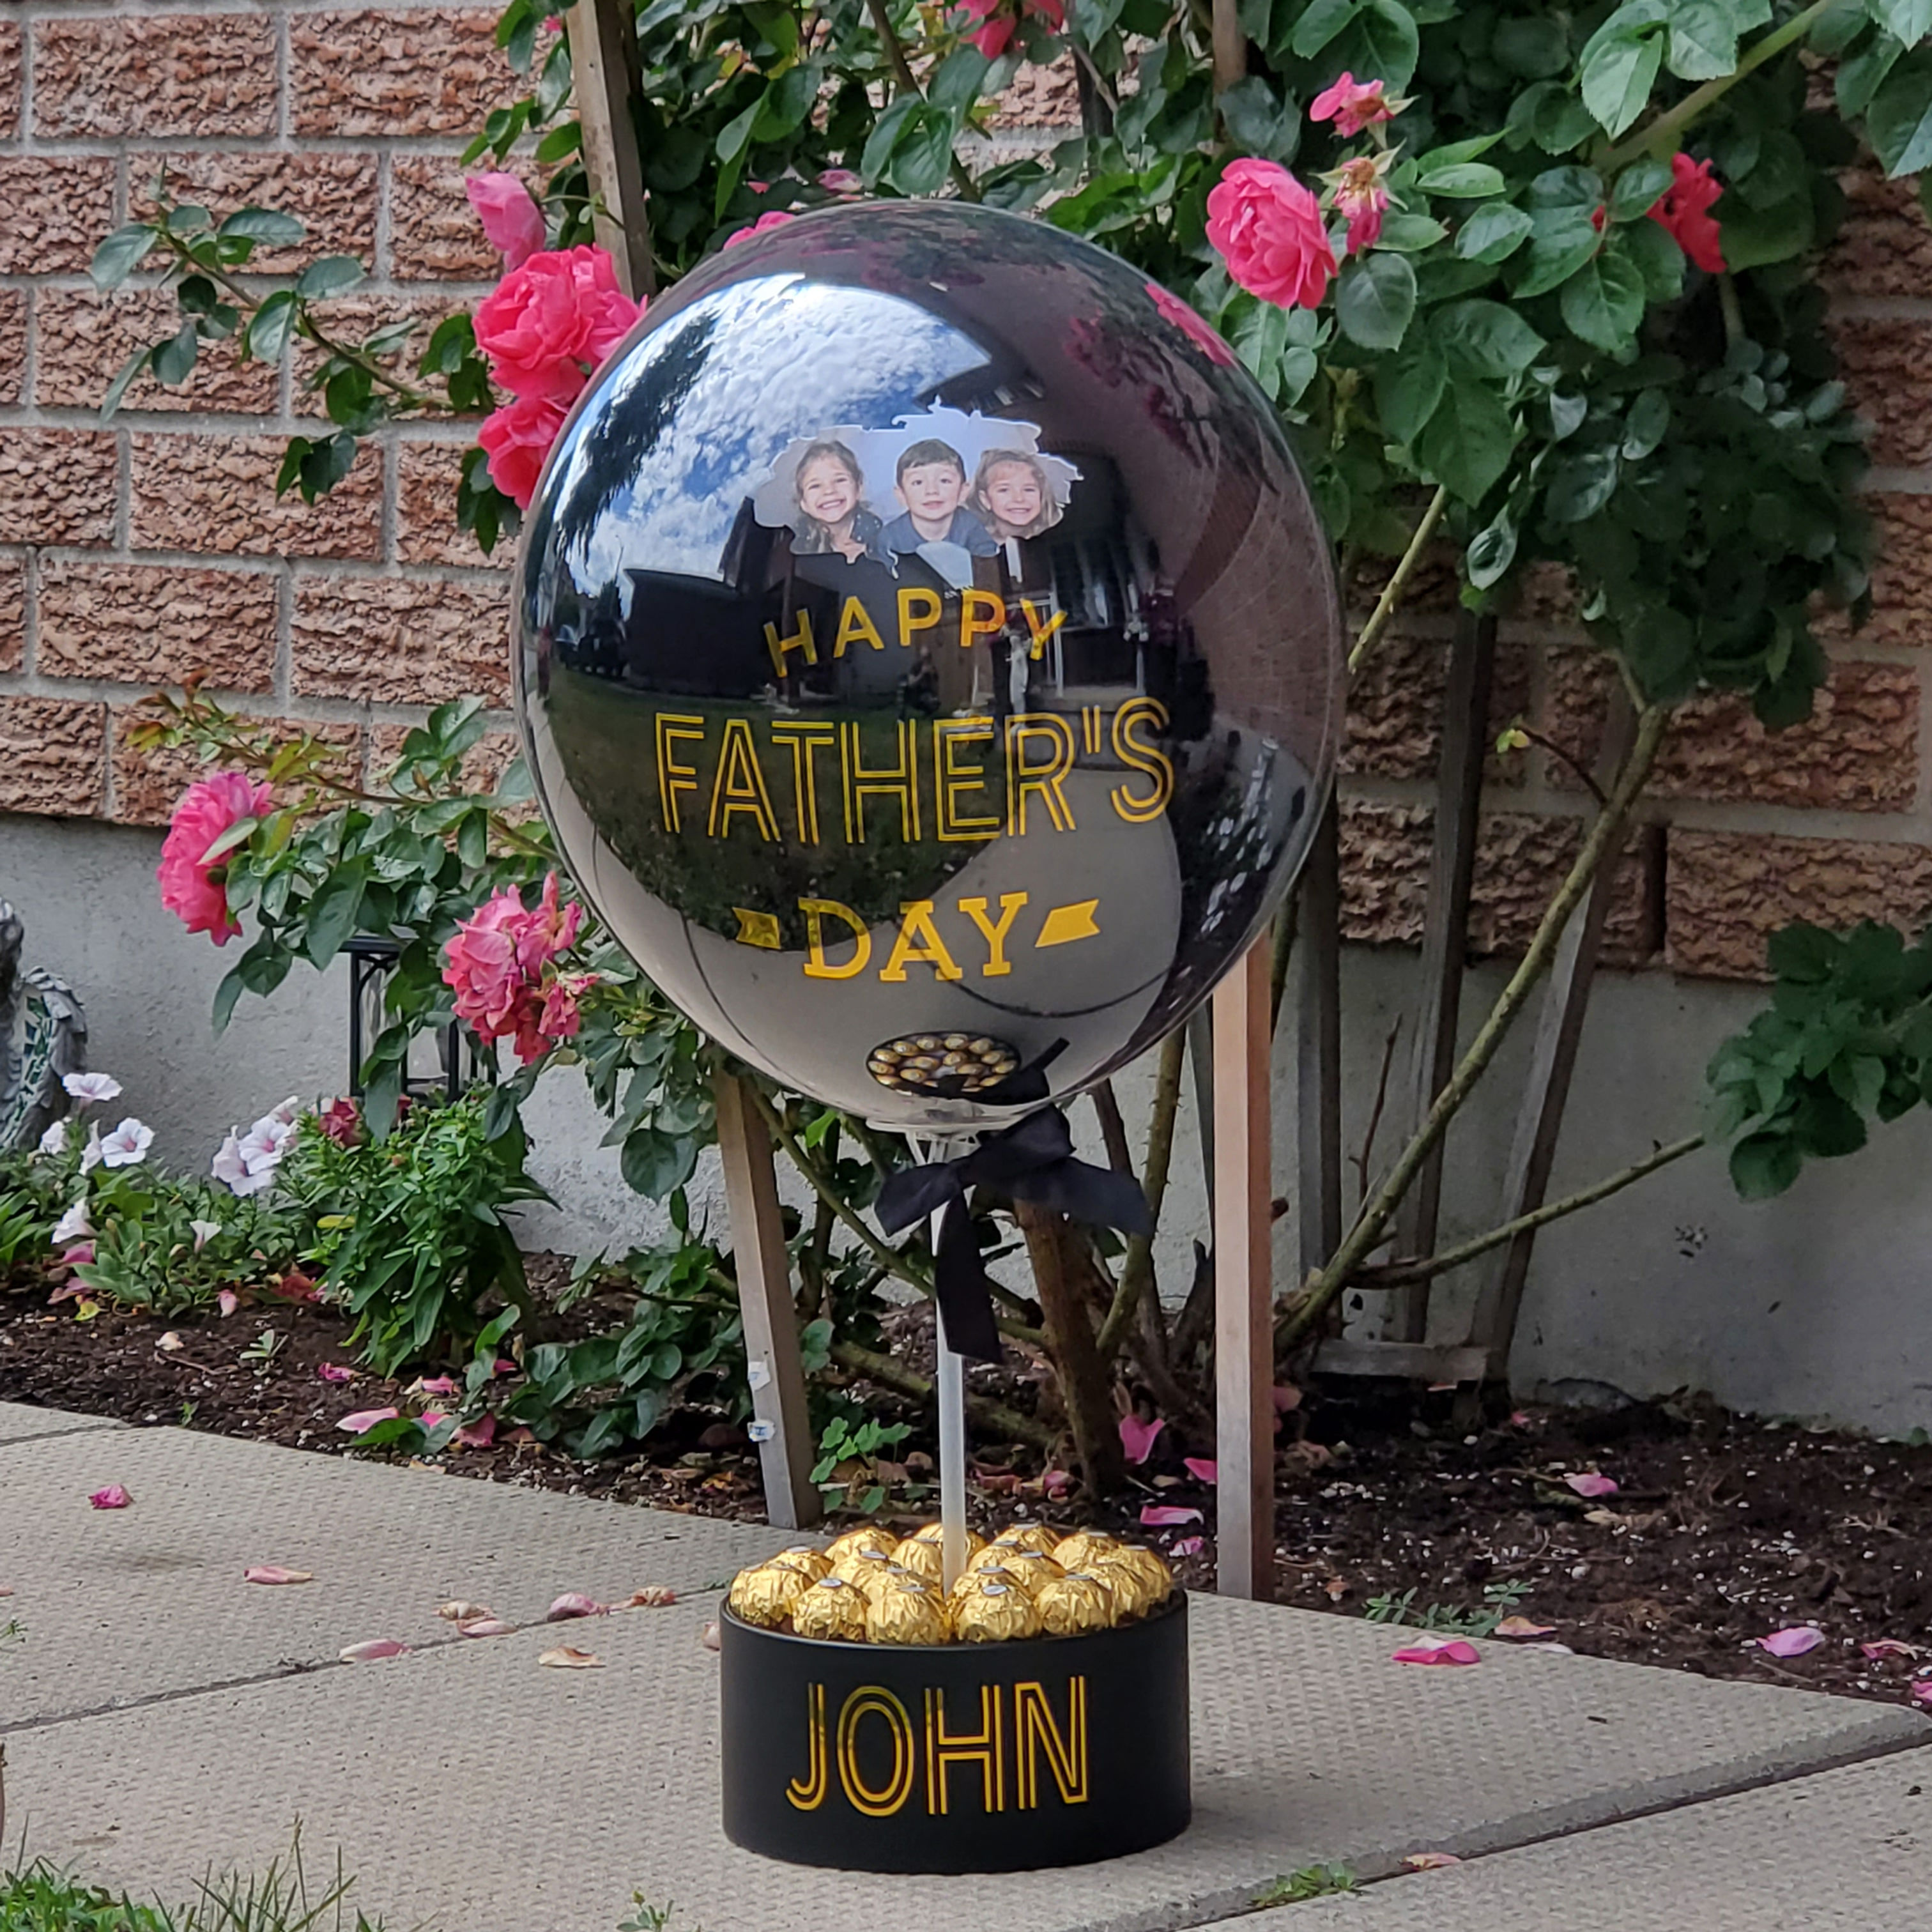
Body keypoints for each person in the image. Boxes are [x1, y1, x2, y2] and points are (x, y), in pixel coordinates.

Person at [880, 439, 999, 557]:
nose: (932, 491)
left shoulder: (970, 527)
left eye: (944, 481)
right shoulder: (890, 537)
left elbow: (988, 565)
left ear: (963, 491)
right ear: (901, 495)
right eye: (918, 482)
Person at [789, 438, 885, 562]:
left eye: (840, 480)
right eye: (815, 486)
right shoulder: (795, 544)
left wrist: (870, 557)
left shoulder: (881, 538)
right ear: (803, 502)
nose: (829, 491)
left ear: (859, 488)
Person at [970, 447, 1064, 542]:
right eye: (1004, 490)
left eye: (1029, 490)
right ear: (985, 499)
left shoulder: (1055, 536)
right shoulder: (977, 543)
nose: (1019, 499)